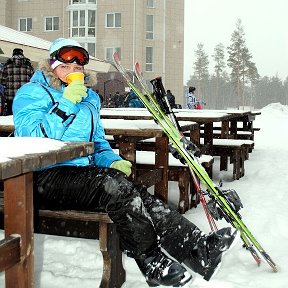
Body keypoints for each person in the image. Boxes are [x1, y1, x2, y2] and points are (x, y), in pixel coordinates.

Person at [12, 37, 238, 287]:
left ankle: (197, 249)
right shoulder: (32, 93)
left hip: (81, 175)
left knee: (135, 191)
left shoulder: (89, 99)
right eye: (66, 66)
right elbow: (31, 139)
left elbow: (97, 143)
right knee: (115, 188)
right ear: (51, 66)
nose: (74, 72)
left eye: (78, 68)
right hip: (41, 176)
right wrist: (66, 103)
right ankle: (150, 259)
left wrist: (111, 159)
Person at [0, 48, 34, 115]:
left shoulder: (7, 65)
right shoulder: (28, 65)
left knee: (10, 115)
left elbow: (2, 81)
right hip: (25, 96)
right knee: (24, 115)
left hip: (10, 97)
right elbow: (33, 81)